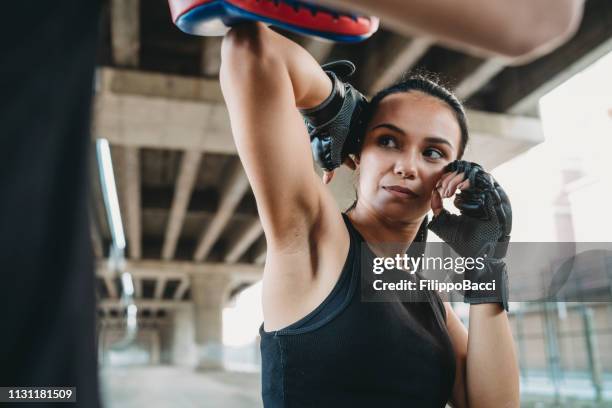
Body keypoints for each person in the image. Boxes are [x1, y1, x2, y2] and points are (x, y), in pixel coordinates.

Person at [220, 22, 519, 407]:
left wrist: (486, 268)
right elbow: (250, 47)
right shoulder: (314, 238)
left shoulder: (430, 303)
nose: (406, 166)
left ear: (450, 176)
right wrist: (336, 105)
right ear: (357, 153)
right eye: (387, 141)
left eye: (433, 153)